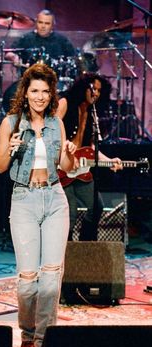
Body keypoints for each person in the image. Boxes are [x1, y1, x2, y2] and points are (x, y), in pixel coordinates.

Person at [0, 63, 76, 347]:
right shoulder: (11, 122)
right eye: (34, 91)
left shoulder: (56, 122)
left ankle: (43, 341)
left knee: (52, 277)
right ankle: (28, 334)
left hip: (54, 198)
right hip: (24, 201)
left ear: (51, 93)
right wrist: (11, 148)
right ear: (25, 93)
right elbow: (0, 166)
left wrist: (69, 154)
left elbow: (65, 168)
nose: (40, 96)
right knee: (28, 279)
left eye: (45, 91)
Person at [55, 72, 123, 242]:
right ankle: (64, 254)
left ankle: (86, 247)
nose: (96, 93)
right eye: (93, 89)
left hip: (80, 170)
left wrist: (108, 161)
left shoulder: (92, 113)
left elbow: (91, 147)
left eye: (100, 91)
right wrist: (64, 151)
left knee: (96, 207)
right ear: (83, 88)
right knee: (69, 212)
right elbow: (50, 131)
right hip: (61, 168)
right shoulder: (65, 102)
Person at [3, 9, 77, 112]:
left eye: (47, 23)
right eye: (40, 22)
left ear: (52, 25)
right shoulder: (26, 38)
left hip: (54, 83)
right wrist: (14, 57)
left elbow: (74, 58)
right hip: (29, 82)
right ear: (36, 22)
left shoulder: (62, 41)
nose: (43, 26)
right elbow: (9, 52)